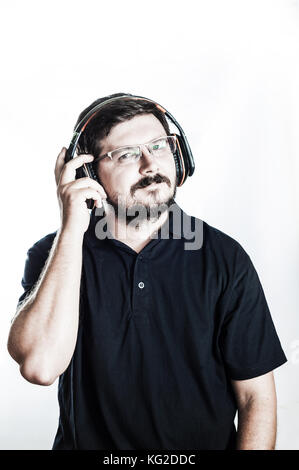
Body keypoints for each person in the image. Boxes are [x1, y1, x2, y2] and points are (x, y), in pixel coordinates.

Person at [7, 93, 287, 450]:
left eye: (159, 146)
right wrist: (71, 228)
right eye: (125, 155)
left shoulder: (224, 258)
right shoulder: (54, 254)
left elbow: (256, 400)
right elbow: (40, 367)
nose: (149, 165)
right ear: (88, 174)